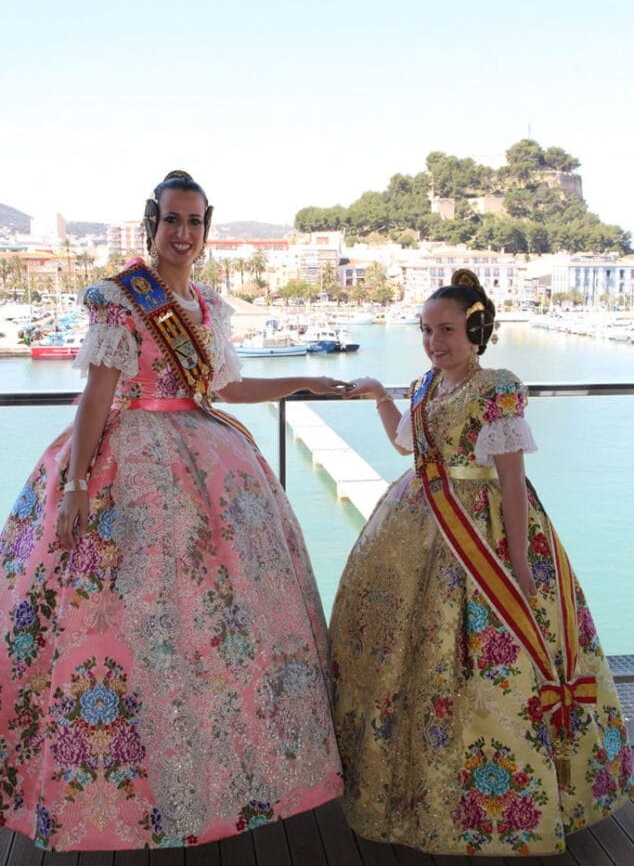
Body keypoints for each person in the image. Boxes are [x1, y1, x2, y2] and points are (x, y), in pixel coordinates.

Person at [0, 170, 347, 851]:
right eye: (172, 221)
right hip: (123, 461)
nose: (183, 234)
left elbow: (230, 384)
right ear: (151, 224)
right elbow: (99, 394)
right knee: (118, 620)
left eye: (195, 222)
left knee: (211, 623)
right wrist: (73, 487)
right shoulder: (120, 298)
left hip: (207, 461)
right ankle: (112, 790)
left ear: (207, 228)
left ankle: (207, 777)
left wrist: (306, 378)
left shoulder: (209, 305)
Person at [329, 268, 632, 857]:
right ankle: (414, 787)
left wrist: (519, 563)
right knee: (411, 656)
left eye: (445, 330)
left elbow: (513, 479)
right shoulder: (422, 386)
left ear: (476, 331)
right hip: (415, 524)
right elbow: (407, 446)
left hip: (483, 536)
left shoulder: (499, 387)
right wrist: (376, 397)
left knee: (488, 659)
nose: (434, 342)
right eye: (425, 330)